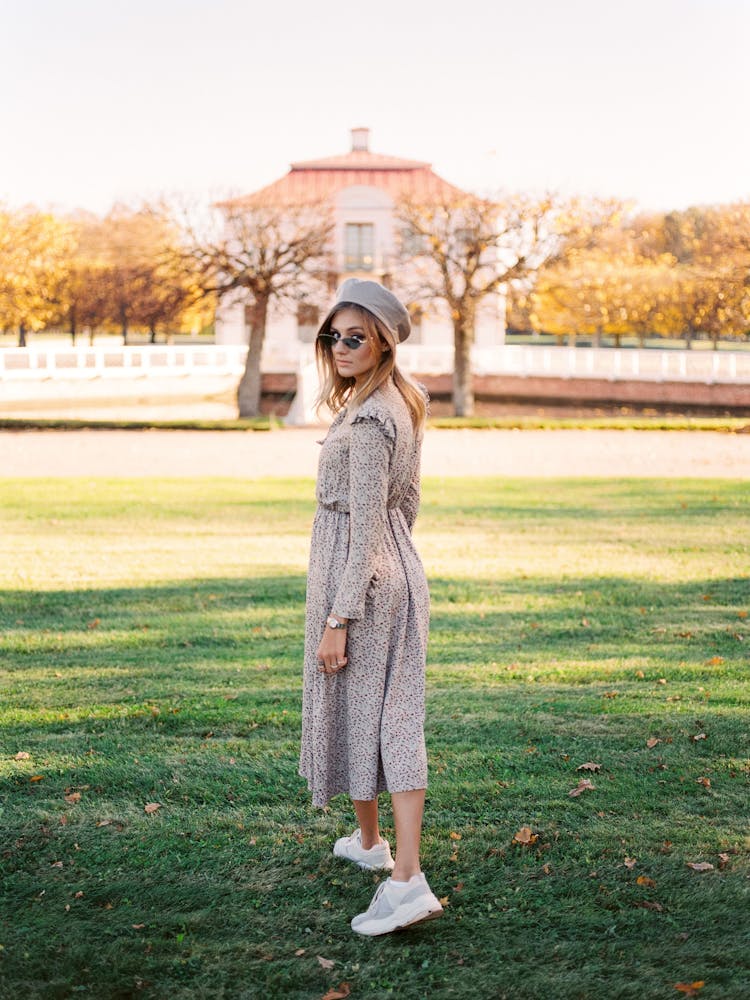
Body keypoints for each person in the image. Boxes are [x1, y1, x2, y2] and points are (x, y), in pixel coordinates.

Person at [299, 278, 443, 936]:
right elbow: (405, 503)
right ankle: (370, 844)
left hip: (367, 585)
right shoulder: (394, 401)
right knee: (371, 714)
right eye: (333, 336)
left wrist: (339, 618)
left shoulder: (369, 419)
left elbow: (363, 535)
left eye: (355, 337)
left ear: (384, 340)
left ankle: (408, 880)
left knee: (391, 723)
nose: (341, 347)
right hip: (393, 573)